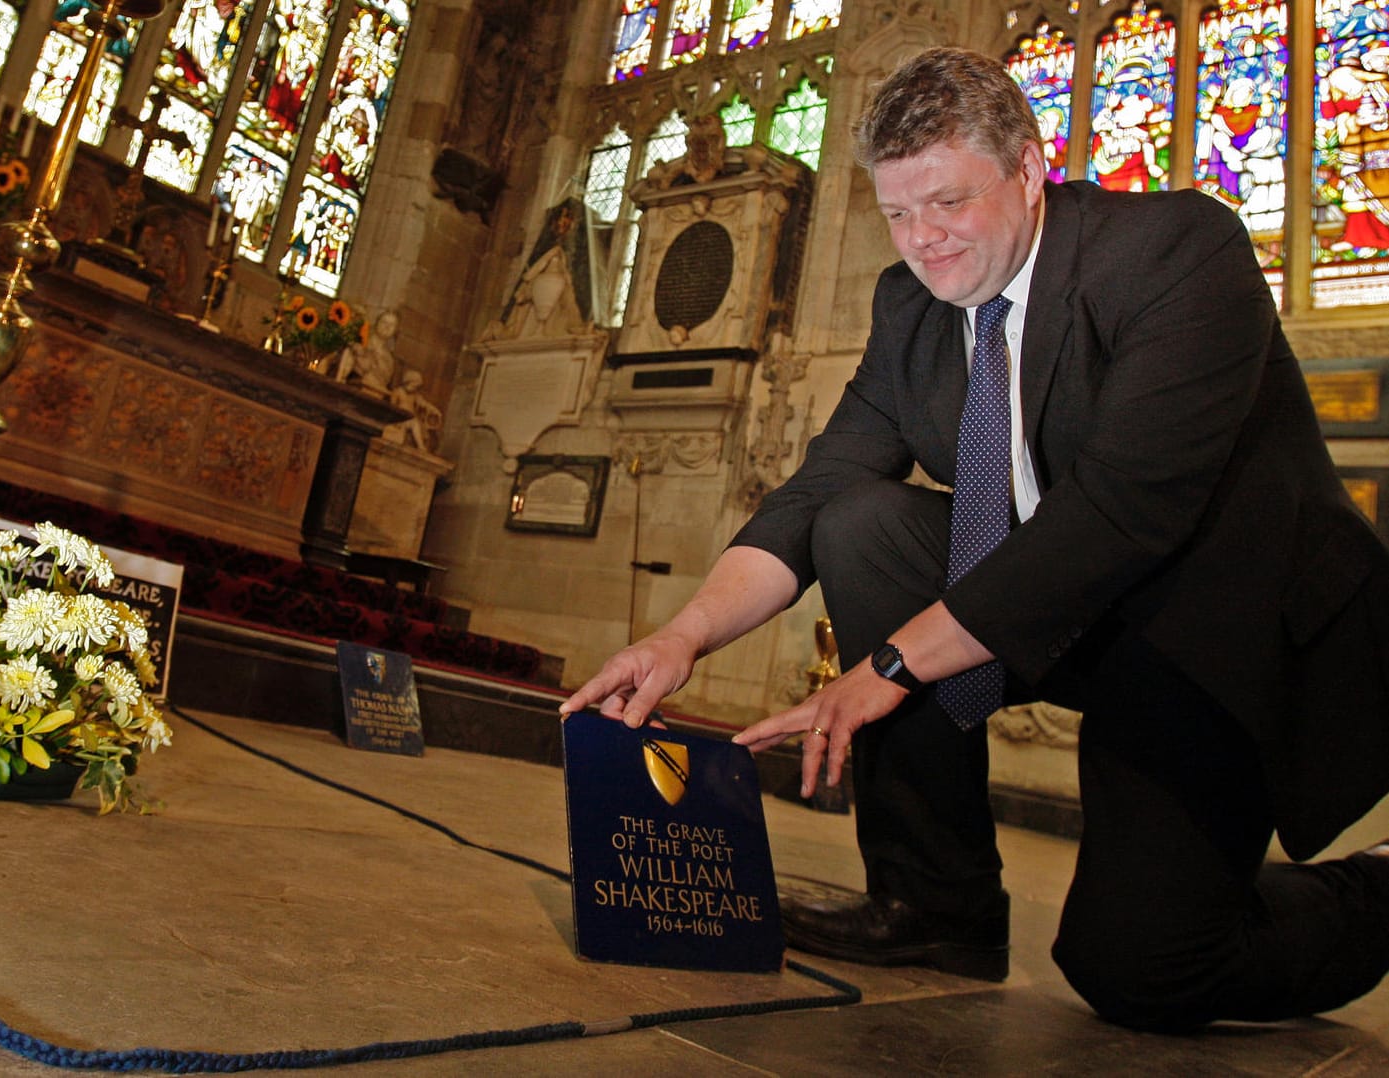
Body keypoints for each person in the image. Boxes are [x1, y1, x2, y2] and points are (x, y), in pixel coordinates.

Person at [560, 46, 1389, 1032]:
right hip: (1070, 613)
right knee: (858, 521)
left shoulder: (1174, 250)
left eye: (948, 203)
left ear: (1030, 170)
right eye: (900, 213)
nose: (924, 241)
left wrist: (890, 667)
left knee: (1138, 968)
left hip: (1220, 634)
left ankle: (1376, 895)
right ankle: (935, 902)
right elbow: (821, 481)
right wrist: (682, 636)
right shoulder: (911, 309)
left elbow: (1124, 513)